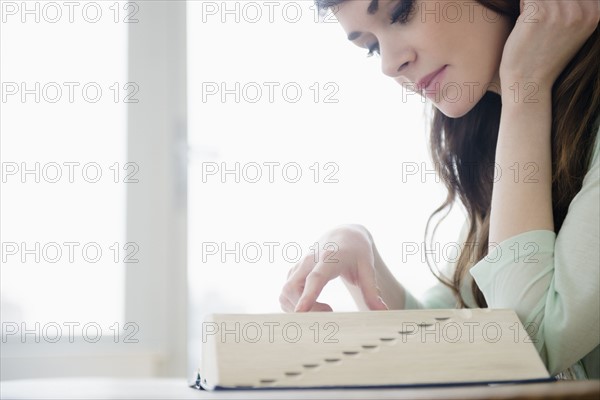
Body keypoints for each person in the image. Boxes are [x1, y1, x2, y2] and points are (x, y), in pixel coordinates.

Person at [279, 0, 599, 379]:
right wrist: (361, 255)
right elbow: (448, 336)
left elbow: (526, 349)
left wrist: (525, 88)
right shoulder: (505, 130)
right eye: (372, 47)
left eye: (401, 13)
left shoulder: (528, 111)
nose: (388, 64)